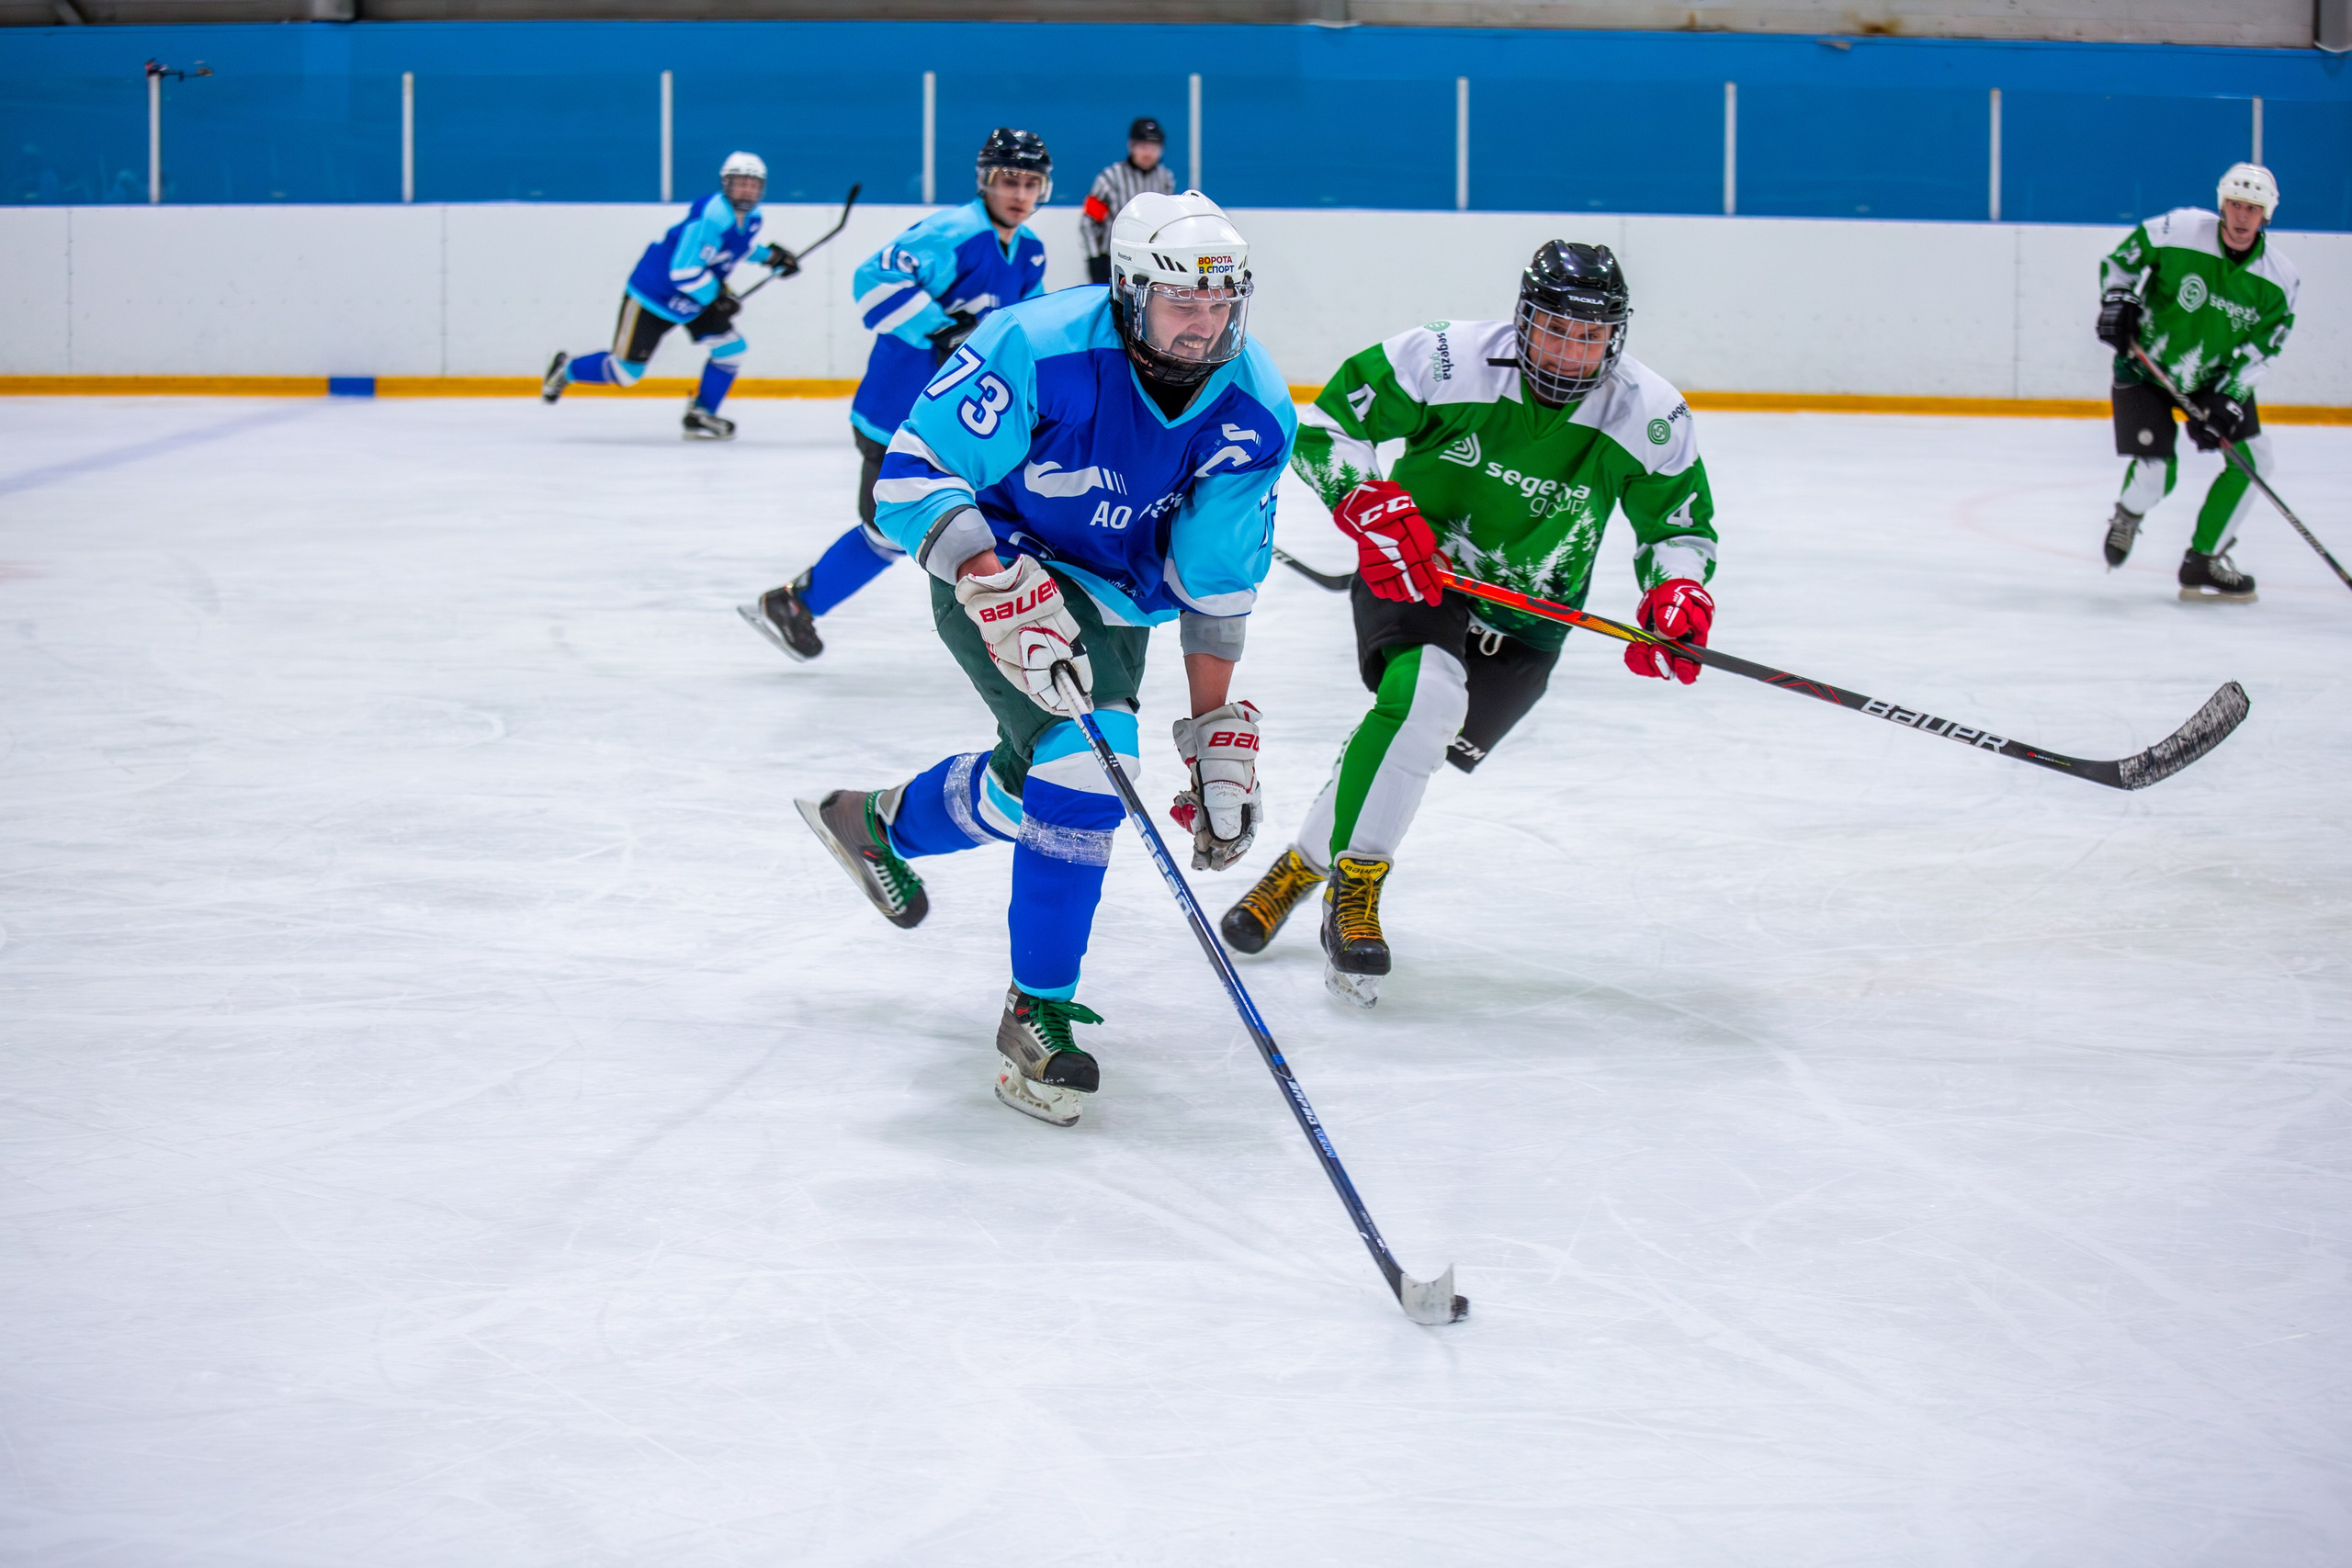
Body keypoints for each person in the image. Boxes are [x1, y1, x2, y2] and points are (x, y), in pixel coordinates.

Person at [794, 192, 1295, 1127]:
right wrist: (994, 579)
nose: (1203, 326)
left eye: (1221, 303)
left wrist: (1212, 730)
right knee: (1087, 772)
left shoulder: (1256, 409)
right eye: (1182, 304)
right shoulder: (1036, 344)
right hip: (996, 560)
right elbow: (912, 473)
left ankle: (879, 825)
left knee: (1042, 786)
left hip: (1112, 597)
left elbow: (1214, 581)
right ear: (1129, 292)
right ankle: (1038, 1010)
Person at [1219, 242, 1720, 1008]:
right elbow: (1326, 427)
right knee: (1423, 698)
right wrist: (1367, 503)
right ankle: (1355, 892)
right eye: (1555, 330)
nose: (1571, 351)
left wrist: (1679, 591)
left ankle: (1300, 865)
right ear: (1524, 319)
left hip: (1530, 618)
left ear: (1614, 337)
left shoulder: (1649, 415)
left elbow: (1678, 530)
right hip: (1416, 568)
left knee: (1410, 737)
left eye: (1590, 336)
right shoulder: (1445, 358)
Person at [738, 130, 1052, 660]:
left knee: (979, 519)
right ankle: (793, 603)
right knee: (894, 527)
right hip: (895, 415)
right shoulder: (952, 233)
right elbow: (873, 280)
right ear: (985, 182)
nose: (1019, 194)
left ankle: (1005, 631)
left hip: (963, 421)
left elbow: (1032, 329)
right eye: (1008, 181)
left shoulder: (1030, 251)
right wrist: (939, 328)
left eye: (1031, 183)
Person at [2098, 163, 2299, 604]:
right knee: (2154, 476)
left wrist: (2230, 398)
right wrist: (2117, 298)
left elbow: (2263, 348)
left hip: (2211, 379)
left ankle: (2203, 559)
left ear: (2267, 216)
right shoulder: (2180, 229)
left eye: (2253, 208)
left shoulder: (2280, 281)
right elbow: (2123, 262)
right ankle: (2129, 515)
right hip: (2144, 367)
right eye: (2235, 205)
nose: (2242, 216)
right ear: (2222, 204)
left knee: (2256, 461)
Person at [539, 152, 797, 441]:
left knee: (731, 349)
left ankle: (701, 414)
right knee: (626, 373)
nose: (748, 190)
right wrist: (717, 298)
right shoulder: (711, 217)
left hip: (696, 297)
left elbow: (735, 247)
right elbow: (683, 272)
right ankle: (567, 369)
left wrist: (770, 257)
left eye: (754, 184)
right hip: (654, 295)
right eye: (741, 183)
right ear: (726, 184)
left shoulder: (752, 218)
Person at [1080, 118, 1175, 287]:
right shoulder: (1109, 178)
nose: (1148, 153)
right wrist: (1095, 260)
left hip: (1154, 261)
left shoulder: (1165, 179)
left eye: (1154, 147)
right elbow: (1088, 222)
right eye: (1143, 146)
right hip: (1113, 260)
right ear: (1131, 146)